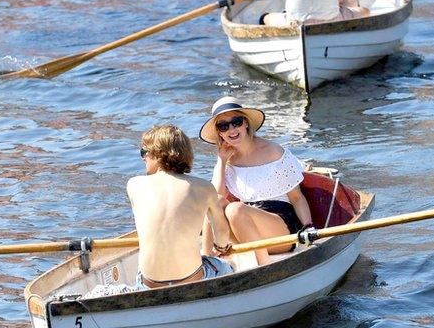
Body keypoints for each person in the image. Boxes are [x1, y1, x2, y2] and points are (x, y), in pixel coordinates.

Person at [199, 97, 315, 266]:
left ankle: (263, 266)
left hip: (280, 228)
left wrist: (308, 227)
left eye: (236, 122)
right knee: (214, 202)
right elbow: (216, 197)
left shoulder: (274, 152)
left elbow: (297, 197)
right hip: (244, 225)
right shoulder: (228, 160)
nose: (231, 129)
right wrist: (221, 160)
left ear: (246, 123)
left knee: (235, 209)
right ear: (219, 133)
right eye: (223, 126)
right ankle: (206, 259)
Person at [127, 124, 235, 289]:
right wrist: (221, 247)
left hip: (149, 284)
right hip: (191, 278)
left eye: (144, 152)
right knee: (228, 266)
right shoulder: (204, 187)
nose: (143, 158)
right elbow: (222, 237)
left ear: (158, 153)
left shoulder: (134, 185)